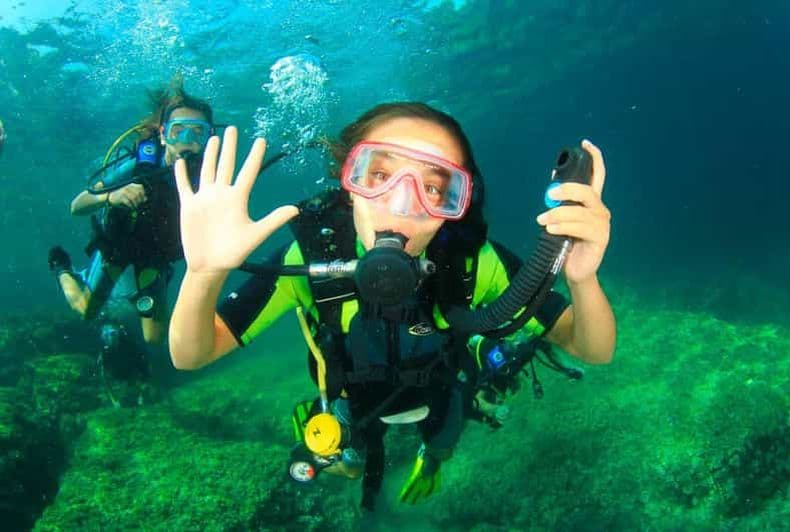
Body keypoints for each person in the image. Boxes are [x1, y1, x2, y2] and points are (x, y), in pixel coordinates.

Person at [168, 102, 616, 510]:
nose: (402, 206)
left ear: (457, 206)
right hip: (350, 397)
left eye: (435, 189)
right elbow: (192, 354)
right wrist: (203, 273)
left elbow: (594, 349)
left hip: (438, 391)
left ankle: (432, 458)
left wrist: (582, 277)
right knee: (347, 465)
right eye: (379, 175)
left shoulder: (473, 263)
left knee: (442, 439)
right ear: (348, 183)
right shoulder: (312, 255)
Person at [48, 83, 214, 347]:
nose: (186, 142)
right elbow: (77, 205)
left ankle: (136, 293)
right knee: (86, 312)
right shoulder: (139, 166)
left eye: (198, 133)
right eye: (178, 131)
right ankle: (63, 269)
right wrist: (111, 195)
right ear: (163, 135)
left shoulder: (210, 178)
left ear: (209, 139)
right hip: (118, 248)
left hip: (156, 257)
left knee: (154, 338)